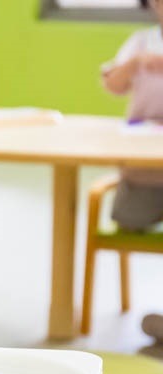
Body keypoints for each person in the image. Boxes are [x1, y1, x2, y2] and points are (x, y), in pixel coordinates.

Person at [101, 0, 163, 231]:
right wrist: (135, 63)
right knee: (128, 222)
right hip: (144, 167)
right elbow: (114, 85)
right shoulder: (142, 42)